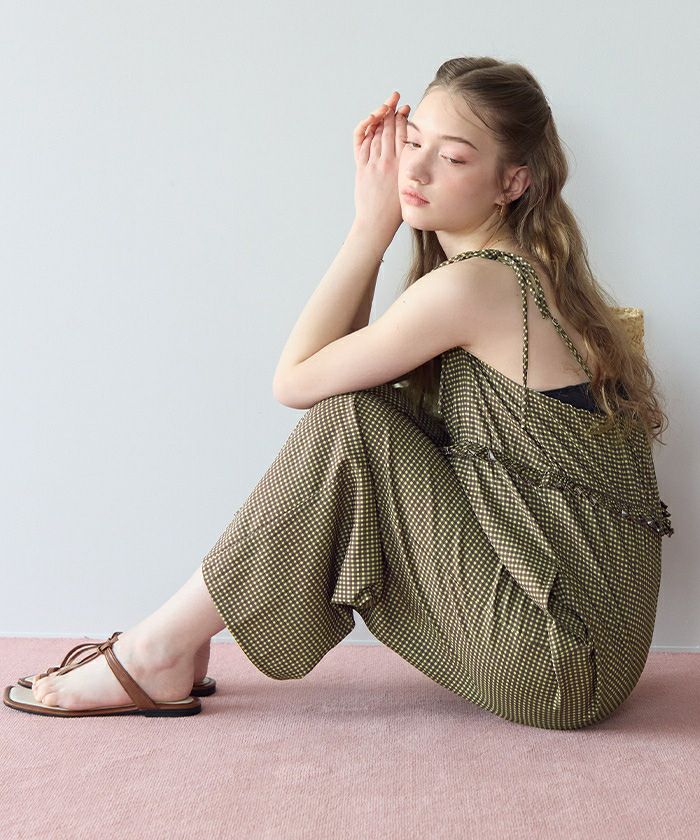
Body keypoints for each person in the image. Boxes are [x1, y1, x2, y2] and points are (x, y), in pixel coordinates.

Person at [4, 56, 673, 727]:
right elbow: (337, 375)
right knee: (361, 407)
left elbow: (296, 380)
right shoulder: (525, 273)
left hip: (561, 667)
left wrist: (369, 226)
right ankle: (175, 643)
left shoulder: (475, 285)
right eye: (413, 143)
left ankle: (158, 651)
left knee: (352, 419)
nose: (415, 171)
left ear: (513, 182)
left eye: (453, 158)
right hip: (587, 656)